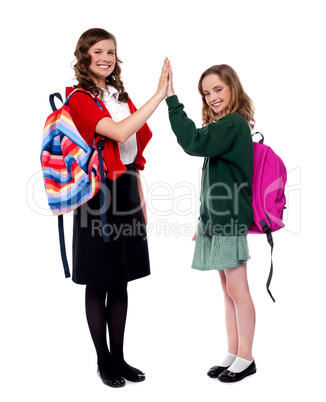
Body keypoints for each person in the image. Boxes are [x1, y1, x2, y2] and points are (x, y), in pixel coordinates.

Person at [67, 28, 169, 388]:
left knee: (121, 278)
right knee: (98, 279)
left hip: (124, 186)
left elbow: (130, 152)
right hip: (97, 195)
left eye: (111, 51)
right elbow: (121, 132)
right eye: (98, 51)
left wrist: (137, 191)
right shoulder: (79, 98)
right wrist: (160, 95)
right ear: (85, 56)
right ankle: (103, 361)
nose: (106, 58)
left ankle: (120, 358)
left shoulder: (119, 95)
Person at [165, 64, 257, 382]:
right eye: (206, 92)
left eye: (218, 89)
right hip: (216, 221)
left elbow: (192, 141)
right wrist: (203, 221)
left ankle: (246, 358)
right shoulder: (224, 127)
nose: (212, 97)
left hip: (230, 220)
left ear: (232, 87)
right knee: (227, 289)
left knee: (237, 289)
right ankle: (233, 353)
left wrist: (172, 100)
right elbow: (214, 184)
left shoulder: (232, 124)